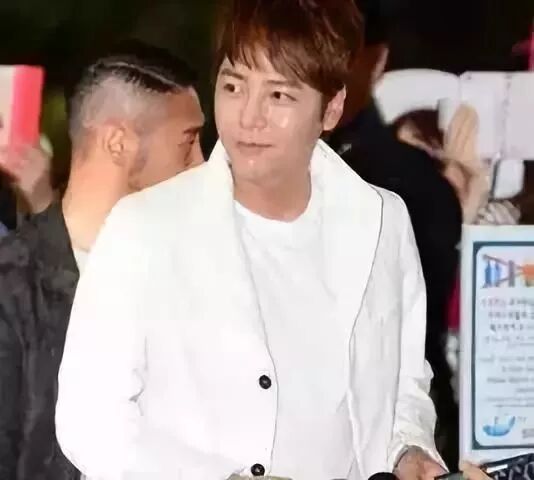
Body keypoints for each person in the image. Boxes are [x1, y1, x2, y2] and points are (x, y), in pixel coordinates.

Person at [56, 1, 445, 479]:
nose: (248, 117)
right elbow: (89, 419)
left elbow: (406, 381)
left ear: (331, 107)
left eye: (278, 95)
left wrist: (409, 450)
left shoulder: (382, 219)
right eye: (233, 86)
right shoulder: (144, 227)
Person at [0, 41, 204, 480]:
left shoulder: (195, 280)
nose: (202, 165)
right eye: (188, 143)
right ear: (118, 143)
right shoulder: (12, 292)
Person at [327, 0, 464, 469]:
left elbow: (412, 337)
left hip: (396, 441)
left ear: (376, 59)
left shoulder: (407, 183)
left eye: (336, 48)